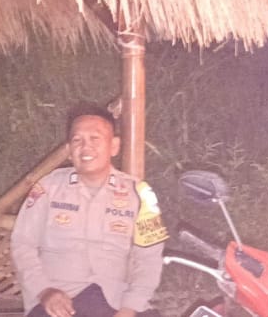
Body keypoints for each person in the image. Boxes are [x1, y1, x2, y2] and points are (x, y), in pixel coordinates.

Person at [10, 104, 168, 317]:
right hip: (59, 301)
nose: (86, 147)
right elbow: (22, 245)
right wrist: (44, 291)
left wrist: (130, 307)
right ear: (69, 150)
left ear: (114, 146)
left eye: (95, 138)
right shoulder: (48, 188)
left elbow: (149, 258)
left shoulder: (139, 194)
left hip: (117, 300)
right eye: (77, 140)